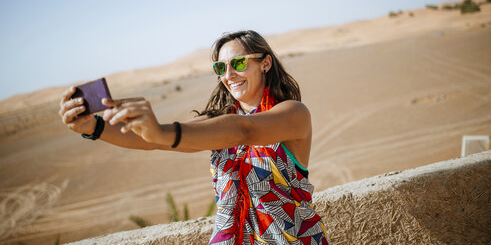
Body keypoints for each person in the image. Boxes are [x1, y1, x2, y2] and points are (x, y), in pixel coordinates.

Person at [59, 30, 329, 245]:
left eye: (238, 63)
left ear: (265, 63)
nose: (229, 75)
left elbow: (246, 129)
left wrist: (163, 132)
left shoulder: (293, 113)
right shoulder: (215, 123)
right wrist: (91, 126)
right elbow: (153, 140)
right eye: (220, 68)